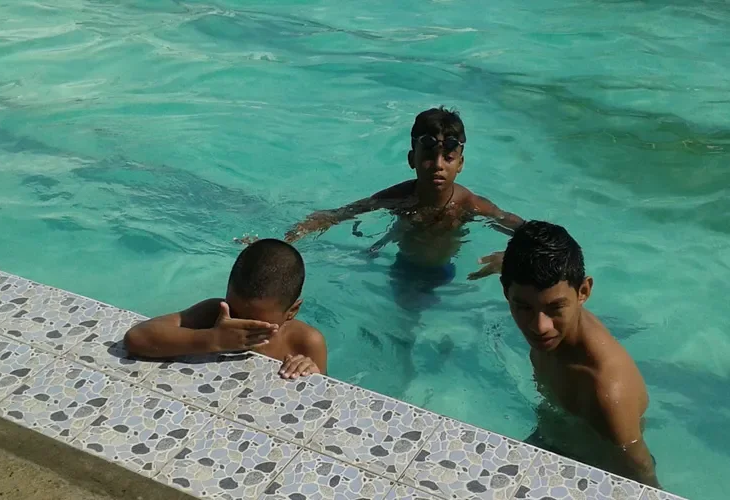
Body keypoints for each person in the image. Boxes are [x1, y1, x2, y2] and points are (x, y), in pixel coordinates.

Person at [283, 106, 524, 310]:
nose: (438, 165)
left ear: (460, 164)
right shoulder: (399, 197)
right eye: (429, 156)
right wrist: (295, 235)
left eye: (448, 158)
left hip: (445, 271)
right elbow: (341, 214)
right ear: (411, 159)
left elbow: (527, 232)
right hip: (403, 269)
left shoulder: (470, 205)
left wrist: (510, 258)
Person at [499, 220, 661, 488]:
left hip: (591, 468)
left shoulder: (605, 389)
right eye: (524, 307)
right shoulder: (550, 317)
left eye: (555, 308)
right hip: (552, 438)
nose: (540, 326)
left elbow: (643, 475)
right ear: (506, 293)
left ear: (583, 292)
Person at [123, 239, 327, 379]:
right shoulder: (215, 314)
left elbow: (326, 395)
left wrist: (311, 370)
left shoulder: (306, 342)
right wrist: (213, 339)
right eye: (235, 314)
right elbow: (137, 338)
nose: (239, 324)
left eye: (257, 324)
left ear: (292, 311)